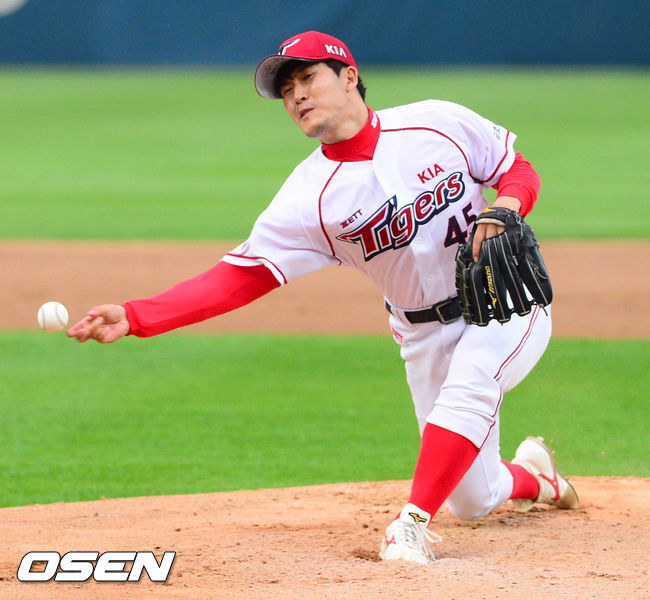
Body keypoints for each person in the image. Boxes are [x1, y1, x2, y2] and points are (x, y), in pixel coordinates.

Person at [67, 31, 579, 564]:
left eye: (308, 78)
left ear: (349, 76)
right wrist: (136, 316)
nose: (297, 95)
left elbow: (516, 169)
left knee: (470, 385)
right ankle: (535, 477)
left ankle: (409, 525)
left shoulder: (435, 122)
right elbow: (238, 278)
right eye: (287, 89)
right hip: (422, 332)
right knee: (471, 499)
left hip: (504, 302)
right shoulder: (308, 197)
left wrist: (508, 204)